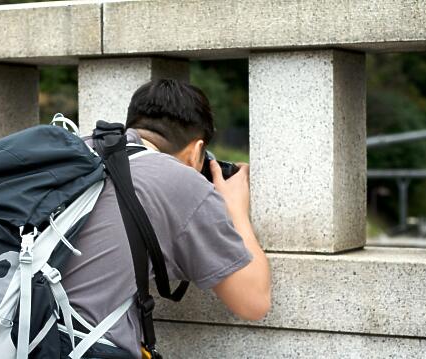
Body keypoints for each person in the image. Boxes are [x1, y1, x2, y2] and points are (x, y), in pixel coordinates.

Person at [60, 79, 271, 358]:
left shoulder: (78, 153)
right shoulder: (181, 181)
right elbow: (254, 301)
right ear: (197, 150)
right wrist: (234, 209)